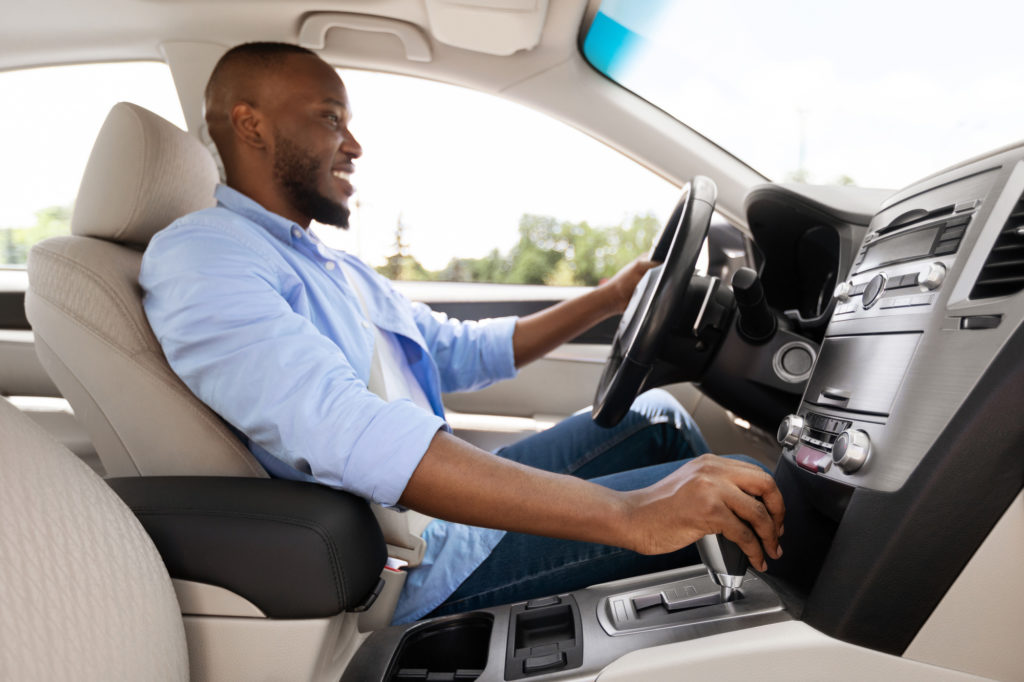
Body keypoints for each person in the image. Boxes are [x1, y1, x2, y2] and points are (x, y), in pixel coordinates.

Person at [140, 42, 784, 625]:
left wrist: (610, 299)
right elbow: (344, 429)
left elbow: (459, 351)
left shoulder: (327, 261)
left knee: (658, 417)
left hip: (439, 513)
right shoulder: (204, 257)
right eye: (331, 118)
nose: (354, 144)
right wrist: (630, 515)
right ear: (251, 124)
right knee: (740, 495)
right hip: (414, 561)